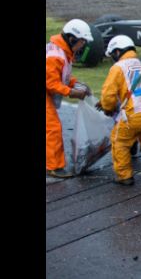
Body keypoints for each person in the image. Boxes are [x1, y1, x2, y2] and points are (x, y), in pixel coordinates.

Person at [97, 35, 141, 186]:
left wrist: (108, 108)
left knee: (119, 141)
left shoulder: (118, 67)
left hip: (136, 115)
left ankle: (124, 176)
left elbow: (108, 94)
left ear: (117, 52)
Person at [46, 19, 95, 178]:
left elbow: (62, 76)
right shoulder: (56, 55)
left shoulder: (63, 52)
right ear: (72, 38)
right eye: (82, 42)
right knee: (53, 128)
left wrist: (77, 84)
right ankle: (54, 167)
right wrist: (72, 92)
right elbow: (52, 82)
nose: (83, 46)